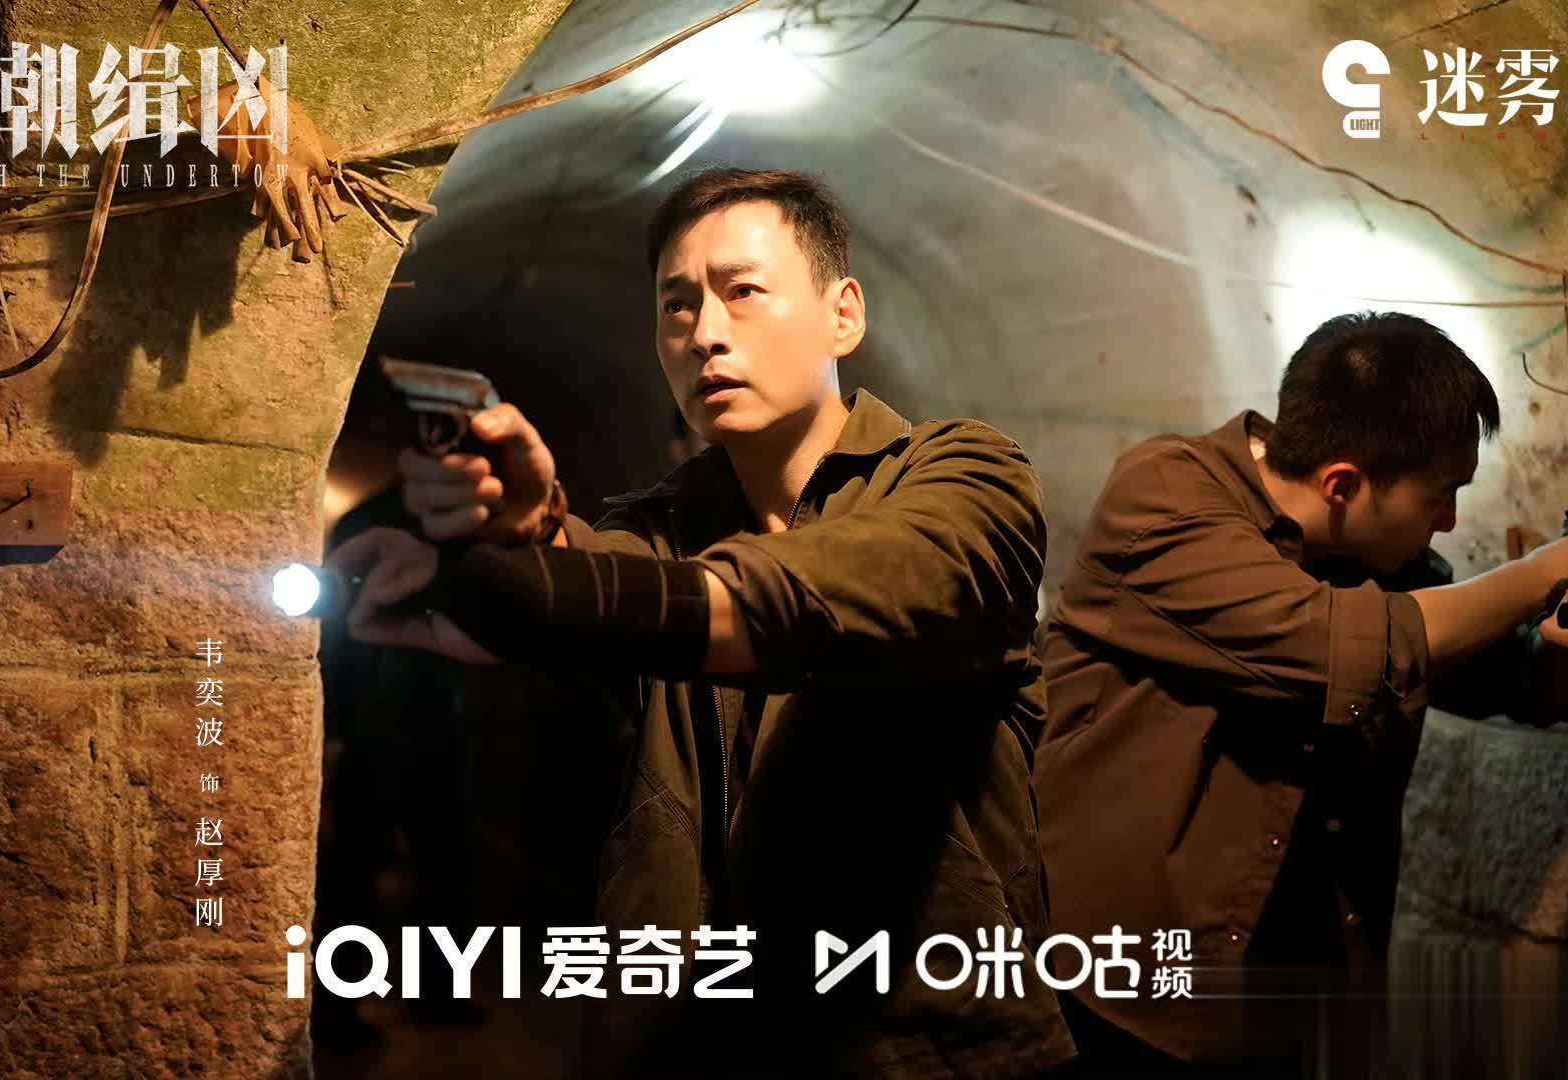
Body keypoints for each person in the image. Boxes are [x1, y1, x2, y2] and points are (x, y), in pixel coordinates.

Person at [328, 167, 1075, 1078]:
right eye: (676, 306)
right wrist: (519, 542)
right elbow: (610, 576)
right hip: (694, 1042)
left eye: (743, 291)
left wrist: (540, 587)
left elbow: (839, 588)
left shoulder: (967, 477)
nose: (705, 333)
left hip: (925, 1048)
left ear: (843, 315)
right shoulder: (662, 526)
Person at [1030, 312, 1568, 1074]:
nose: (1449, 521)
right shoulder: (1165, 499)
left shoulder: (1373, 557)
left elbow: (1515, 679)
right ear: (1343, 484)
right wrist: (1545, 571)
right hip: (1120, 993)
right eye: (1439, 496)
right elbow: (1351, 643)